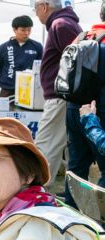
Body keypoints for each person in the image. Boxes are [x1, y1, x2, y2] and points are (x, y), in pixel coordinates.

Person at [34, 0, 82, 185]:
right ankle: (70, 193)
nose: (36, 14)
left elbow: (77, 59)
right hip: (65, 96)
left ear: (44, 6)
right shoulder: (63, 23)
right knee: (66, 146)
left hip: (60, 96)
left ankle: (36, 191)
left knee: (46, 144)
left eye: (36, 9)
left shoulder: (60, 24)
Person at [64, 4, 105, 207]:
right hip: (98, 112)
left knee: (76, 168)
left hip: (74, 108)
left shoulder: (83, 36)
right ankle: (101, 221)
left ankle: (70, 215)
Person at [0, 15, 43, 97]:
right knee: (4, 110)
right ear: (14, 29)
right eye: (23, 30)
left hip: (29, 90)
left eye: (29, 30)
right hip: (7, 90)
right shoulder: (3, 48)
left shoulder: (37, 47)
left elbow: (41, 66)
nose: (26, 33)